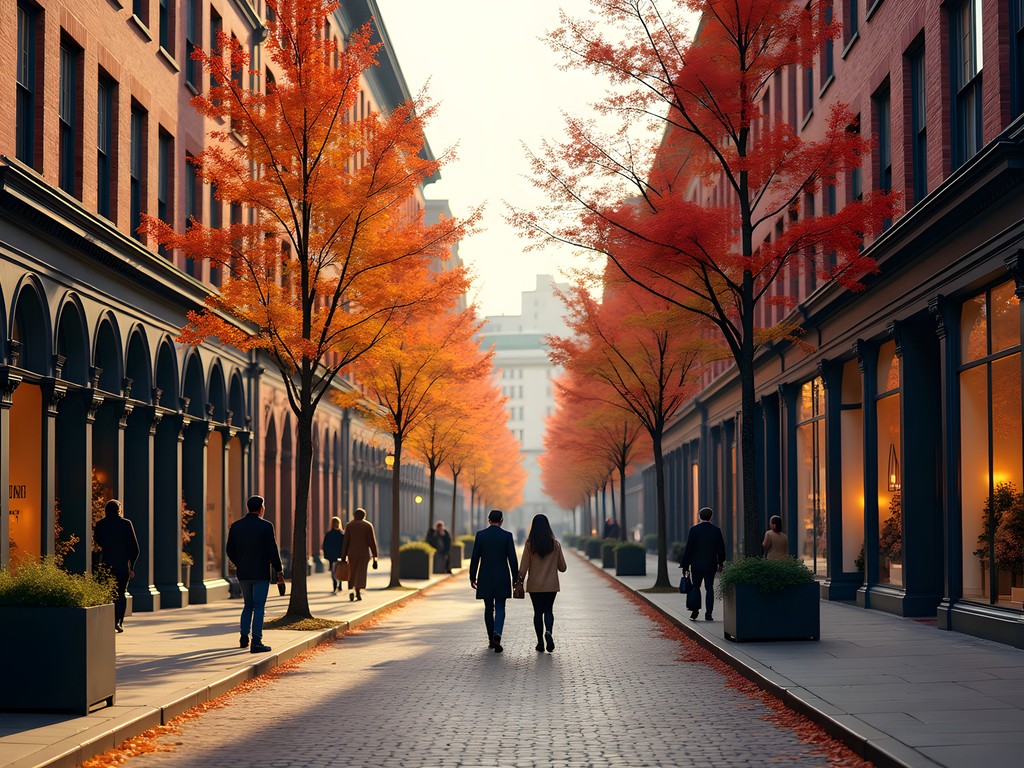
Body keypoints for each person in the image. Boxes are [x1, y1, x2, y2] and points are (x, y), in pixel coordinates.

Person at [226, 495, 284, 653]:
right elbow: (272, 550)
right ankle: (256, 641)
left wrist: (239, 562)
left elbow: (229, 549)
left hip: (243, 573)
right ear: (261, 508)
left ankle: (244, 636)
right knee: (259, 607)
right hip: (260, 573)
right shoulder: (266, 526)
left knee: (248, 605)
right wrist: (278, 569)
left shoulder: (236, 526)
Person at [469, 509, 519, 653]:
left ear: (488, 520)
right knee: (501, 607)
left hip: (485, 577)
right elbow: (512, 559)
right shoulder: (507, 536)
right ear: (502, 521)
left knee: (488, 608)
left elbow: (475, 558)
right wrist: (515, 578)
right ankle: (498, 634)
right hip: (502, 576)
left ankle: (491, 638)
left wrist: (472, 577)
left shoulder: (481, 535)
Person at [517, 513, 567, 653]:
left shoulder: (529, 545)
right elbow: (563, 568)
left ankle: (540, 642)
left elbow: (523, 568)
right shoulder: (555, 545)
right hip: (551, 586)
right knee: (548, 610)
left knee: (537, 613)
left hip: (535, 586)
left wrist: (519, 580)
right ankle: (549, 632)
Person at [93, 499, 140, 633]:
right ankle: (118, 621)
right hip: (121, 565)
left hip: (106, 563)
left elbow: (97, 540)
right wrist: (132, 565)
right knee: (120, 593)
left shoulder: (101, 524)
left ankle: (106, 621)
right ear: (119, 510)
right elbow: (135, 548)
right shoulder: (126, 524)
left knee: (107, 592)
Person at [679, 506, 726, 622]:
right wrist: (721, 562)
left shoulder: (694, 530)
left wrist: (685, 565)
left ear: (699, 516)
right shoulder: (716, 530)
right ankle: (708, 614)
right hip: (710, 564)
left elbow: (688, 549)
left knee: (696, 587)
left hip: (696, 564)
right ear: (711, 517)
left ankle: (695, 611)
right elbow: (721, 549)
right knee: (709, 588)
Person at [340, 507, 378, 602]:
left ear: (354, 515)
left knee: (351, 571)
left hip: (352, 553)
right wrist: (375, 557)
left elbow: (346, 542)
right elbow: (372, 542)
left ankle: (351, 590)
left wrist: (343, 556)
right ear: (364, 516)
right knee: (361, 572)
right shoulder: (368, 525)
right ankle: (358, 590)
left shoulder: (349, 526)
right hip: (364, 553)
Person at [322, 516, 345, 593]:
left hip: (332, 556)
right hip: (340, 555)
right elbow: (345, 545)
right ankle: (340, 585)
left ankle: (335, 585)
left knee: (333, 571)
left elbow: (325, 546)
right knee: (340, 570)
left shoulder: (328, 534)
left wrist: (326, 555)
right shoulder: (342, 535)